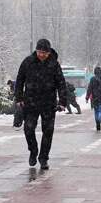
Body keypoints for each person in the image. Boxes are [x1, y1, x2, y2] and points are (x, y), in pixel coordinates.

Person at [14, 39, 67, 170]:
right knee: (28, 129)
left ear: (49, 53)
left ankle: (44, 158)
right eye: (39, 52)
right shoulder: (28, 62)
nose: (41, 55)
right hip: (30, 102)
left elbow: (61, 83)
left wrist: (62, 101)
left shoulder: (54, 64)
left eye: (44, 52)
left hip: (49, 103)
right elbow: (19, 80)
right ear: (36, 51)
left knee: (48, 131)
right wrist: (19, 97)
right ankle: (33, 150)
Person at [86, 66, 101, 131]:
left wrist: (87, 97)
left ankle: (97, 121)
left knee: (96, 111)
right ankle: (99, 120)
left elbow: (89, 89)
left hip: (94, 98)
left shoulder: (92, 79)